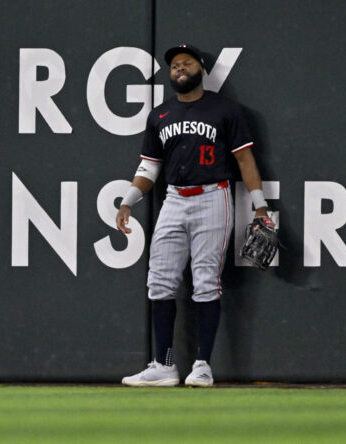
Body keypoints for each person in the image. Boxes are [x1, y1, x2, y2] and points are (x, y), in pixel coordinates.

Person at [118, 44, 273, 387]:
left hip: (213, 196)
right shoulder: (160, 115)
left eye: (186, 63)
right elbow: (150, 166)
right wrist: (128, 200)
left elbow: (246, 161)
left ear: (201, 69)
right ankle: (164, 365)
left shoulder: (225, 110)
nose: (179, 69)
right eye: (174, 66)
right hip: (174, 198)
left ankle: (202, 364)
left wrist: (261, 206)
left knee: (205, 282)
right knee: (159, 281)